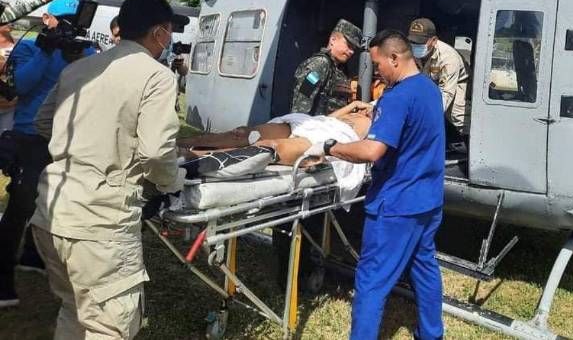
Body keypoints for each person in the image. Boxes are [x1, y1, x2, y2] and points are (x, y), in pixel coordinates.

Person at [30, 0, 185, 339]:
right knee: (108, 327)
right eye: (170, 32)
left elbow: (43, 123)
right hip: (101, 225)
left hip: (51, 211)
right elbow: (158, 152)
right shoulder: (157, 76)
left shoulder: (78, 68)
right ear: (160, 33)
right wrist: (172, 184)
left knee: (74, 311)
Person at [310, 30, 445, 340]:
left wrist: (331, 148)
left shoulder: (396, 97)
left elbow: (372, 151)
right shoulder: (428, 89)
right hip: (427, 199)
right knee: (424, 267)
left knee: (372, 280)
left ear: (395, 58)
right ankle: (431, 333)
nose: (377, 71)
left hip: (396, 205)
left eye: (378, 63)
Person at [0, 0, 96, 308]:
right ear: (47, 19)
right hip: (30, 136)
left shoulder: (84, 51)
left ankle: (32, 254)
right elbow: (20, 87)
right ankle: (2, 278)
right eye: (61, 20)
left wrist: (79, 54)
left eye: (73, 21)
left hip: (69, 139)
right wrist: (46, 49)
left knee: (52, 204)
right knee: (21, 205)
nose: (66, 27)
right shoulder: (30, 47)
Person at [177, 100, 374, 165]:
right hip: (316, 124)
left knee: (270, 148)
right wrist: (352, 106)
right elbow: (330, 119)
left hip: (329, 138)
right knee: (244, 134)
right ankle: (179, 143)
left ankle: (193, 156)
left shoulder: (382, 118)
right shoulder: (359, 109)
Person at [407, 17, 469, 138]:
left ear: (434, 40)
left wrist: (426, 121)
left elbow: (446, 92)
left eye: (421, 43)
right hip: (429, 81)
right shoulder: (411, 51)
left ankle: (467, 139)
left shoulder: (448, 57)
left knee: (456, 113)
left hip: (458, 82)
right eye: (413, 42)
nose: (416, 46)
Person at [291, 19, 362, 115]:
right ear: (333, 40)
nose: (351, 51)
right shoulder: (320, 64)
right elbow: (303, 97)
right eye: (348, 45)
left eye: (353, 48)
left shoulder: (340, 69)